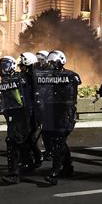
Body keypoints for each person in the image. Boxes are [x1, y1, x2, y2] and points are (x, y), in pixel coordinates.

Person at [35, 50, 81, 185]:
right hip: (51, 112)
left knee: (58, 142)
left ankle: (54, 172)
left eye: (54, 63)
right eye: (50, 63)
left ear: (61, 62)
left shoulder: (70, 76)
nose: (51, 66)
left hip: (64, 114)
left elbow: (69, 95)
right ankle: (68, 167)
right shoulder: (46, 77)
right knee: (59, 142)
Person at [0, 56, 31, 184]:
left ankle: (14, 174)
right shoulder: (8, 79)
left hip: (20, 115)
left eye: (4, 67)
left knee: (13, 142)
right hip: (14, 114)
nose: (2, 70)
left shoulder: (18, 79)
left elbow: (20, 99)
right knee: (23, 141)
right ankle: (29, 163)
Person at [18, 52, 43, 171]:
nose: (20, 67)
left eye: (22, 65)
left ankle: (28, 160)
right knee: (29, 137)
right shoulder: (27, 75)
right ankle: (37, 157)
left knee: (26, 136)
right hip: (27, 110)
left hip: (31, 111)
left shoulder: (33, 77)